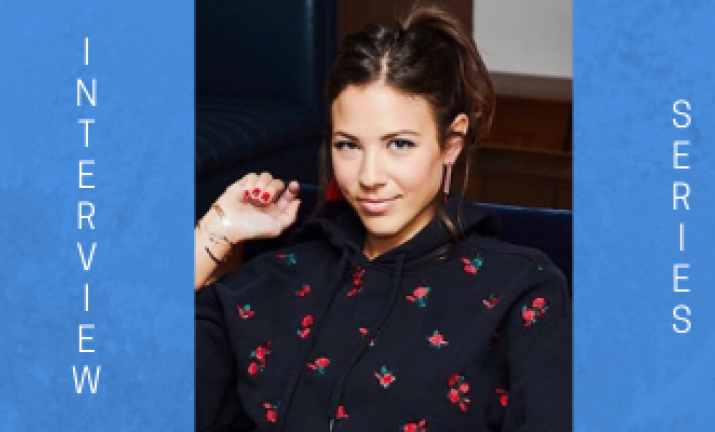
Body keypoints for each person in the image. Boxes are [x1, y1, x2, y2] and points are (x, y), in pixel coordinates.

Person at [195, 4, 571, 431]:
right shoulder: (278, 276)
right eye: (349, 146)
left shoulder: (520, 290)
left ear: (451, 142)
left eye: (399, 144)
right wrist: (214, 232)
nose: (369, 177)